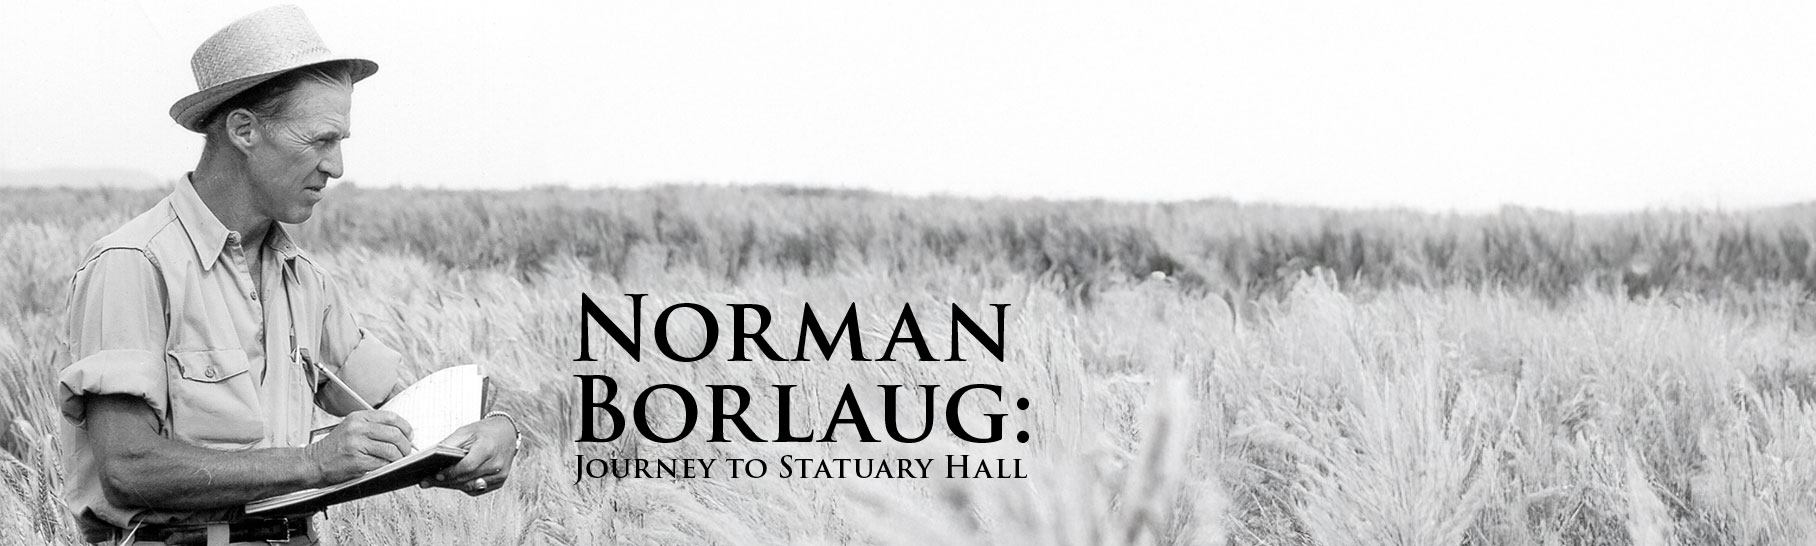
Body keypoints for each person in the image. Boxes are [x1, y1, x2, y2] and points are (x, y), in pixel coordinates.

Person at [57, 6, 519, 545]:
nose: (337, 166)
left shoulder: (308, 282)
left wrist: (495, 430)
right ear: (244, 129)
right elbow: (130, 468)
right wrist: (314, 462)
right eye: (321, 140)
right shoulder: (134, 265)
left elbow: (404, 413)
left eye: (340, 141)